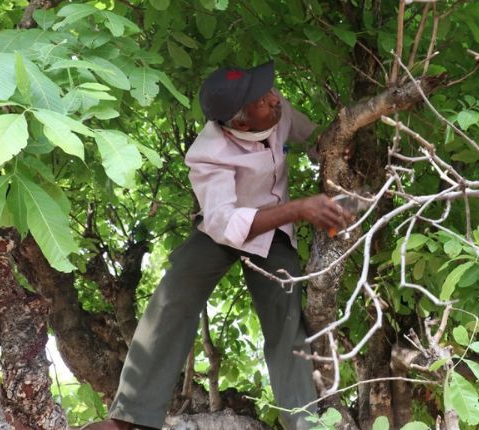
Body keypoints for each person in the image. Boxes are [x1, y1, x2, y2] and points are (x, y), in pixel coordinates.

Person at [86, 61, 350, 430]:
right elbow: (225, 223)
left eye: (270, 92)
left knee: (286, 318)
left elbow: (318, 141)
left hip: (274, 236)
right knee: (173, 296)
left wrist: (337, 165)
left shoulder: (279, 109)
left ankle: (304, 424)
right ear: (240, 124)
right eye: (262, 99)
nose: (274, 99)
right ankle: (130, 418)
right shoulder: (208, 151)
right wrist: (299, 209)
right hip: (222, 231)